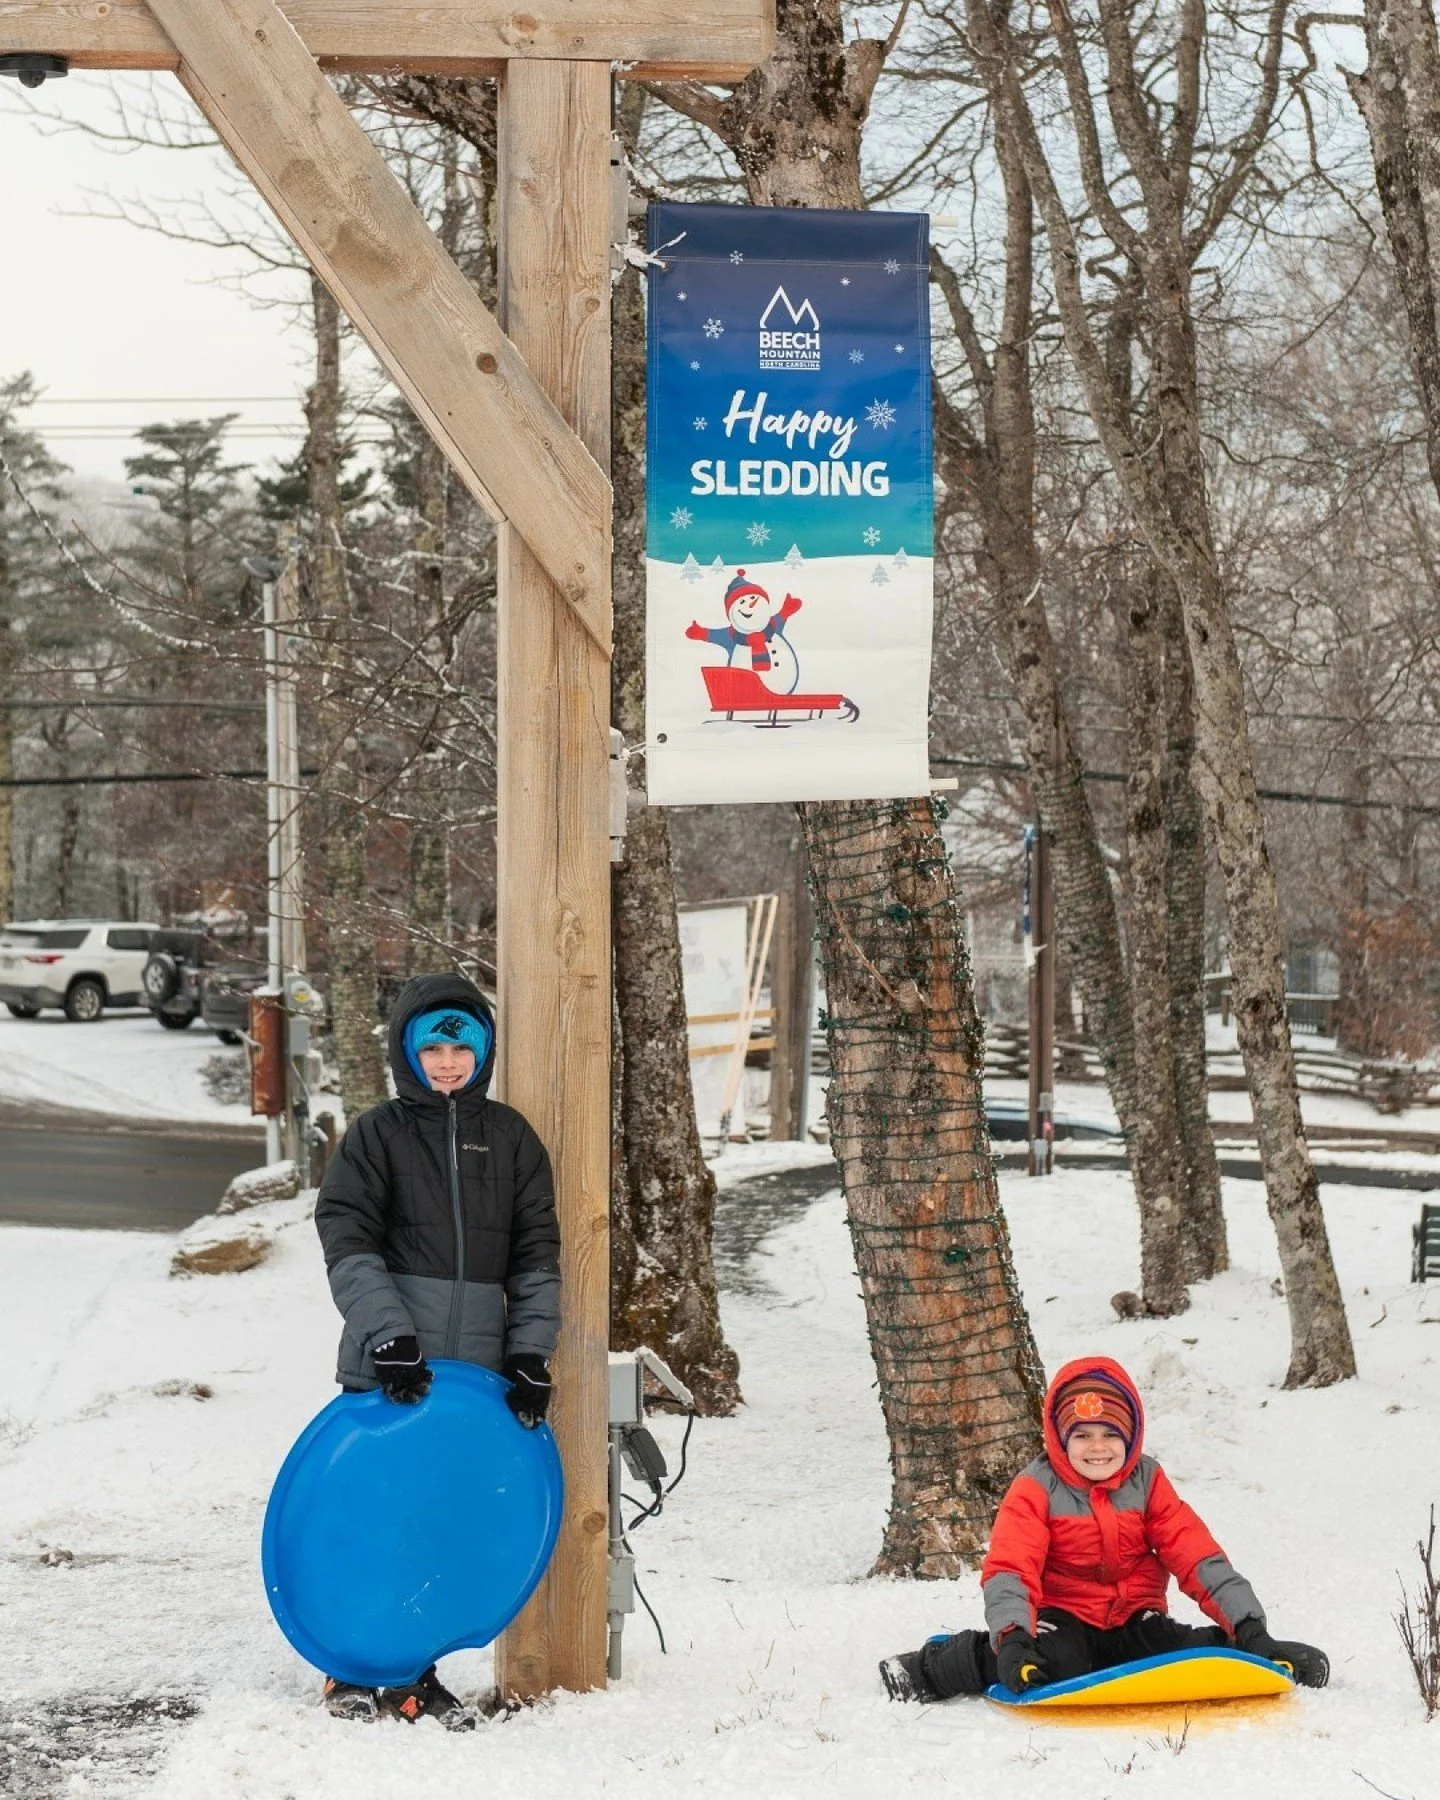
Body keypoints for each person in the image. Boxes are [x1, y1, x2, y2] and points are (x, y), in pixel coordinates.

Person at [312, 973, 561, 1728]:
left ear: (481, 1052)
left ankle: (419, 1667)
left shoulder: (512, 1137)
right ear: (407, 1053)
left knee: (443, 1519)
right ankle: (349, 1665)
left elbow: (536, 1254)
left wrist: (527, 1354)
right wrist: (387, 1334)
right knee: (374, 1513)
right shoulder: (378, 1135)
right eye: (433, 1048)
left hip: (474, 1378)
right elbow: (347, 1239)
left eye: (461, 1046)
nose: (447, 1062)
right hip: (391, 1368)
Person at [879, 1355, 1329, 1703]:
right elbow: (1011, 1568)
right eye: (1082, 1435)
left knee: (1175, 1652)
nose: (1098, 1447)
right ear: (1060, 1439)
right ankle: (938, 1665)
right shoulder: (1036, 1487)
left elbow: (1195, 1554)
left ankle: (1254, 1650)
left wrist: (1249, 1624)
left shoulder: (1147, 1481)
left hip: (1134, 1614)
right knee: (1054, 1663)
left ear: (1130, 1437)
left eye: (1110, 1434)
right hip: (1060, 1617)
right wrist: (1013, 1635)